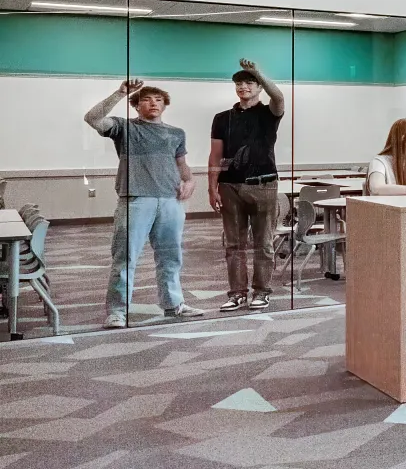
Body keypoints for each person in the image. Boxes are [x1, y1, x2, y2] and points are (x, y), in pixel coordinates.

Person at [86, 78, 198, 327]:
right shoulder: (125, 128)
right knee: (125, 257)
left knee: (171, 256)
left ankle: (173, 304)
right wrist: (119, 93)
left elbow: (182, 165)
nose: (153, 103)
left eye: (158, 99)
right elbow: (92, 118)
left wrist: (190, 182)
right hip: (136, 199)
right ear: (136, 105)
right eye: (146, 99)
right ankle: (117, 311)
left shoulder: (176, 133)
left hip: (170, 200)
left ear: (165, 104)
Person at [208, 58, 284, 312]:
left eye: (249, 82)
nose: (243, 86)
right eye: (239, 83)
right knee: (233, 244)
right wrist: (212, 186)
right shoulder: (222, 118)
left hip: (263, 186)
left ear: (259, 86)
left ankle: (262, 292)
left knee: (263, 243)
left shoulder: (268, 113)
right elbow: (216, 154)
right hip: (230, 187)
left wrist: (258, 72)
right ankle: (237, 293)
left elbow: (279, 96)